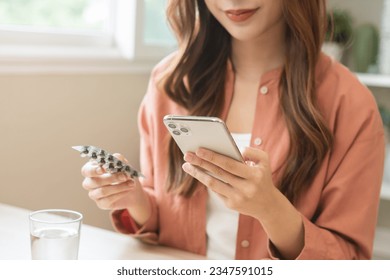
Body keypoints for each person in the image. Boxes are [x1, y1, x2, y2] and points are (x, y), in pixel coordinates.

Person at [80, 0, 385, 260]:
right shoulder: (170, 83)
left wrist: (272, 209)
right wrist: (134, 198)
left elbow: (350, 262)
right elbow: (167, 222)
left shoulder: (351, 105)